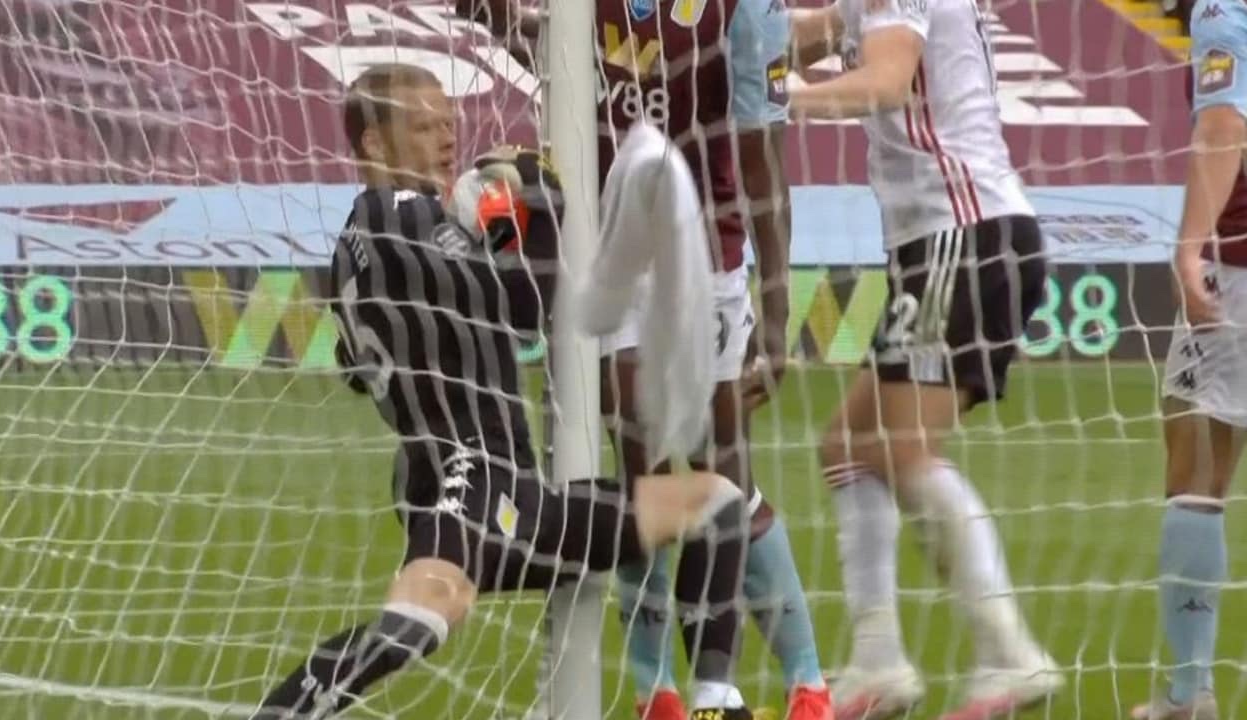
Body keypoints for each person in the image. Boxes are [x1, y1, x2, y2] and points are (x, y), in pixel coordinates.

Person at [251, 63, 753, 719]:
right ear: (372, 142)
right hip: (471, 479)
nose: (445, 138)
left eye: (447, 123)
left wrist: (486, 236)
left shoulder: (359, 242)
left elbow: (361, 362)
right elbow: (523, 305)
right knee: (419, 620)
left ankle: (713, 702)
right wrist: (544, 199)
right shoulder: (399, 213)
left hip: (519, 496)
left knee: (716, 502)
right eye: (423, 126)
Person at [455, 3, 830, 719]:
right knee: (643, 470)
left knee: (726, 471)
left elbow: (763, 163)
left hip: (706, 254)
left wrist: (778, 313)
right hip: (611, 254)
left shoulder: (746, 12)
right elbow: (539, 43)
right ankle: (658, 692)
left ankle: (800, 683)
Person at [789, 3, 1064, 719]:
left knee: (901, 447)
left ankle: (1009, 652)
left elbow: (885, 81)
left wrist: (784, 96)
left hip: (962, 232)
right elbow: (809, 31)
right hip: (949, 238)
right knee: (848, 445)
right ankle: (878, 661)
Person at [1130, 0, 1247, 716]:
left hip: (1239, 269)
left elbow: (1225, 122)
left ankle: (1189, 692)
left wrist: (1187, 247)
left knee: (1194, 462)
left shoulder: (1220, 9)